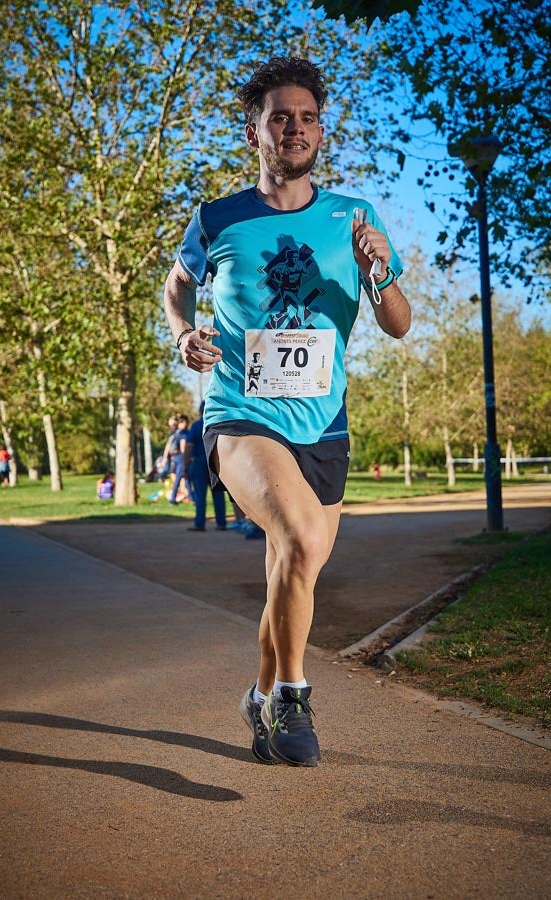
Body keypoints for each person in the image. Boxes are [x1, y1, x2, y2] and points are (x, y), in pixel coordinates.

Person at [163, 56, 410, 767]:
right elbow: (176, 289)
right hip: (241, 410)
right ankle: (295, 698)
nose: (294, 128)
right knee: (300, 539)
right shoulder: (217, 219)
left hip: (323, 424)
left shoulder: (354, 217)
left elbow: (398, 322)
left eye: (306, 118)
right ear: (256, 132)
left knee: (292, 566)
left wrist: (379, 271)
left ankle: (261, 693)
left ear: (319, 133)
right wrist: (184, 334)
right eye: (280, 118)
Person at [184, 402, 227, 532]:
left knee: (199, 494)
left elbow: (189, 446)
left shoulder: (196, 426)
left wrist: (186, 465)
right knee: (218, 493)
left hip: (199, 462)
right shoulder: (218, 424)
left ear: (200, 411)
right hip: (215, 461)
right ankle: (221, 523)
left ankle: (200, 523)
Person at [168, 415, 190, 504]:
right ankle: (173, 498)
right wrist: (186, 457)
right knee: (179, 477)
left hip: (176, 457)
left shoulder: (176, 432)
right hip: (181, 457)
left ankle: (191, 497)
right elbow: (183, 446)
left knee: (185, 477)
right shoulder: (183, 433)